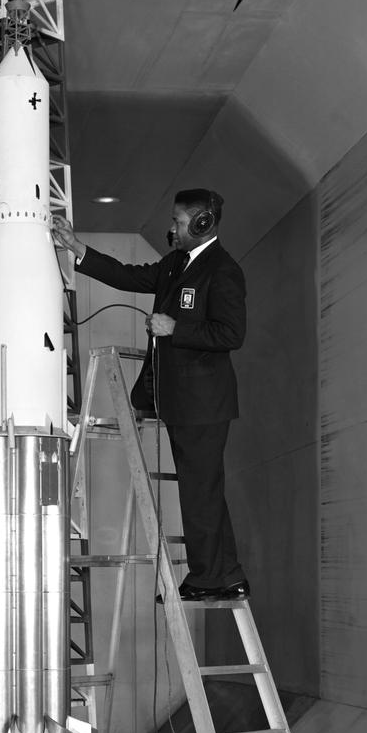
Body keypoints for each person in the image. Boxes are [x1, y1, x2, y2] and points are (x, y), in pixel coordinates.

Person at [51, 190, 249, 602]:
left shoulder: (223, 271)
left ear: (201, 224)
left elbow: (231, 334)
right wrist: (77, 248)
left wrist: (175, 328)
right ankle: (225, 573)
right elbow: (131, 276)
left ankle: (209, 578)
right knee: (203, 490)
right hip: (180, 399)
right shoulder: (177, 263)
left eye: (178, 222)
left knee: (199, 493)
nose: (171, 229)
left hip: (203, 403)